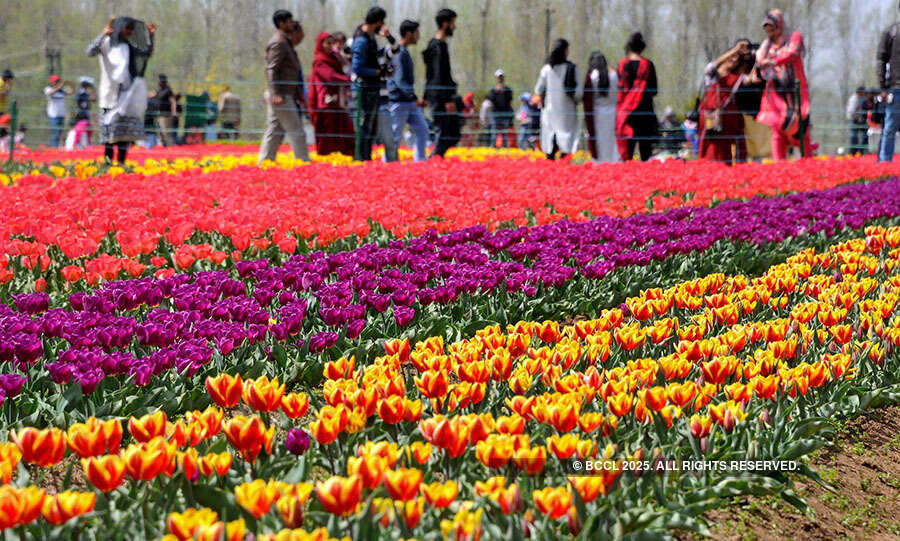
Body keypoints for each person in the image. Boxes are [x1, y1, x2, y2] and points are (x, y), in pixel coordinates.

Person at [87, 17, 155, 163]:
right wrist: (103, 35)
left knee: (124, 134)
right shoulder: (106, 44)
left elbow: (146, 54)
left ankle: (121, 165)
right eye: (126, 28)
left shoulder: (130, 47)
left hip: (126, 95)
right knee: (109, 134)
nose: (129, 32)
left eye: (131, 29)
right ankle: (108, 163)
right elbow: (90, 51)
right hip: (109, 95)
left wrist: (150, 36)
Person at [756, 9, 810, 160]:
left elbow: (792, 53)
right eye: (767, 30)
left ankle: (808, 166)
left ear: (779, 26)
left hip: (795, 93)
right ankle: (780, 167)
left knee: (801, 129)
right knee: (776, 129)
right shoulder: (766, 45)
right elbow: (759, 59)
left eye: (772, 29)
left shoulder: (794, 37)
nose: (770, 33)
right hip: (776, 95)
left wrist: (772, 61)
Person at [259, 9, 310, 163]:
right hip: (281, 94)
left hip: (285, 93)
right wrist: (275, 93)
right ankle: (303, 161)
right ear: (281, 24)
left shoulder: (285, 41)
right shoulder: (278, 42)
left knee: (275, 129)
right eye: (288, 21)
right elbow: (271, 69)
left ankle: (265, 161)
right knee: (297, 130)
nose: (291, 23)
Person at [698, 40, 753, 163]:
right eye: (731, 56)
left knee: (725, 152)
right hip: (710, 118)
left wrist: (758, 55)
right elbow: (711, 66)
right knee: (710, 149)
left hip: (727, 121)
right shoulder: (712, 74)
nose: (733, 60)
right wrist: (735, 49)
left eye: (737, 59)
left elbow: (752, 79)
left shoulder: (737, 79)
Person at [534, 38, 583, 160]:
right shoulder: (572, 69)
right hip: (567, 111)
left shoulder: (547, 69)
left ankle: (551, 160)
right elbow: (579, 92)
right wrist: (575, 100)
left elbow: (538, 89)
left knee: (551, 137)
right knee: (566, 138)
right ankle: (564, 161)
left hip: (550, 110)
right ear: (566, 51)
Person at [388, 20, 430, 162]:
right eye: (416, 33)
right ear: (408, 34)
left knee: (422, 129)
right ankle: (388, 163)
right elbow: (400, 81)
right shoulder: (399, 53)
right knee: (395, 134)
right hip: (399, 101)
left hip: (407, 101)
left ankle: (420, 160)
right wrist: (414, 97)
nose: (418, 36)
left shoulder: (403, 52)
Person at [351, 7, 388, 161]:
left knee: (371, 127)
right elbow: (357, 68)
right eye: (382, 21)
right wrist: (376, 73)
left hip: (372, 88)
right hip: (365, 90)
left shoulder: (370, 37)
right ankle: (361, 158)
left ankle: (366, 158)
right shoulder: (361, 40)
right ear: (378, 22)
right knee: (365, 127)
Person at [309, 32, 355, 156]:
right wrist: (349, 79)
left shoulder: (335, 58)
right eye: (327, 43)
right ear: (321, 44)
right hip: (327, 105)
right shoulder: (320, 61)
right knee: (328, 138)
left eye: (332, 43)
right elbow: (330, 77)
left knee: (347, 135)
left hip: (339, 104)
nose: (331, 46)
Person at [423, 8, 461, 158]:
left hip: (439, 95)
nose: (454, 27)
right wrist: (447, 100)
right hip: (441, 97)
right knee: (447, 133)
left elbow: (430, 74)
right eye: (452, 23)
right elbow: (437, 75)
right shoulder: (438, 46)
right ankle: (434, 160)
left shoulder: (435, 44)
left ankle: (436, 159)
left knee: (450, 133)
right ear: (445, 24)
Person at [616, 32, 658, 161]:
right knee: (646, 152)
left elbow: (619, 89)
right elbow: (654, 90)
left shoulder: (622, 65)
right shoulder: (648, 65)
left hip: (627, 113)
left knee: (627, 151)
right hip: (645, 112)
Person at [583, 50, 619, 162]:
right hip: (613, 114)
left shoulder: (592, 76)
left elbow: (587, 99)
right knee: (612, 143)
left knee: (599, 144)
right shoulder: (614, 75)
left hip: (597, 115)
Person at [878, 6, 900, 161]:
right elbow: (881, 59)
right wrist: (882, 86)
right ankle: (885, 163)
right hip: (895, 87)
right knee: (890, 128)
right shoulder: (891, 32)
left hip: (894, 87)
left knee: (889, 128)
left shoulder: (890, 31)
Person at [487, 69, 513, 148]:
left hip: (505, 114)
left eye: (501, 77)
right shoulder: (493, 90)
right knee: (494, 133)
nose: (500, 78)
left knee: (504, 133)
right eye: (499, 77)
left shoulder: (508, 90)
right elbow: (490, 99)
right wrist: (496, 92)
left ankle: (504, 148)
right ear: (496, 78)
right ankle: (493, 147)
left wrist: (503, 92)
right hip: (495, 114)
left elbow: (510, 99)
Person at [44, 75, 74, 147]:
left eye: (58, 81)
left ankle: (57, 148)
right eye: (56, 81)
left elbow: (71, 92)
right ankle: (54, 149)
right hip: (53, 115)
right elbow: (50, 93)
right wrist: (59, 87)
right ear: (52, 82)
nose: (57, 82)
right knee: (55, 134)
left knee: (60, 134)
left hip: (61, 114)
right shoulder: (48, 89)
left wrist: (71, 84)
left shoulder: (62, 90)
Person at [153, 74, 177, 146]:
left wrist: (174, 112)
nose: (157, 82)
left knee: (166, 133)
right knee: (161, 134)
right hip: (159, 115)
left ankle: (170, 147)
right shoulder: (160, 91)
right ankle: (163, 147)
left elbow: (173, 101)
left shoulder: (168, 90)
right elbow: (153, 96)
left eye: (158, 80)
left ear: (161, 81)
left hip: (166, 116)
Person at [846, 86, 870, 155]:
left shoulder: (864, 98)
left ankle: (861, 151)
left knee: (865, 135)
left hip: (862, 119)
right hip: (855, 120)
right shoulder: (854, 99)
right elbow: (851, 111)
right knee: (854, 137)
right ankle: (853, 152)